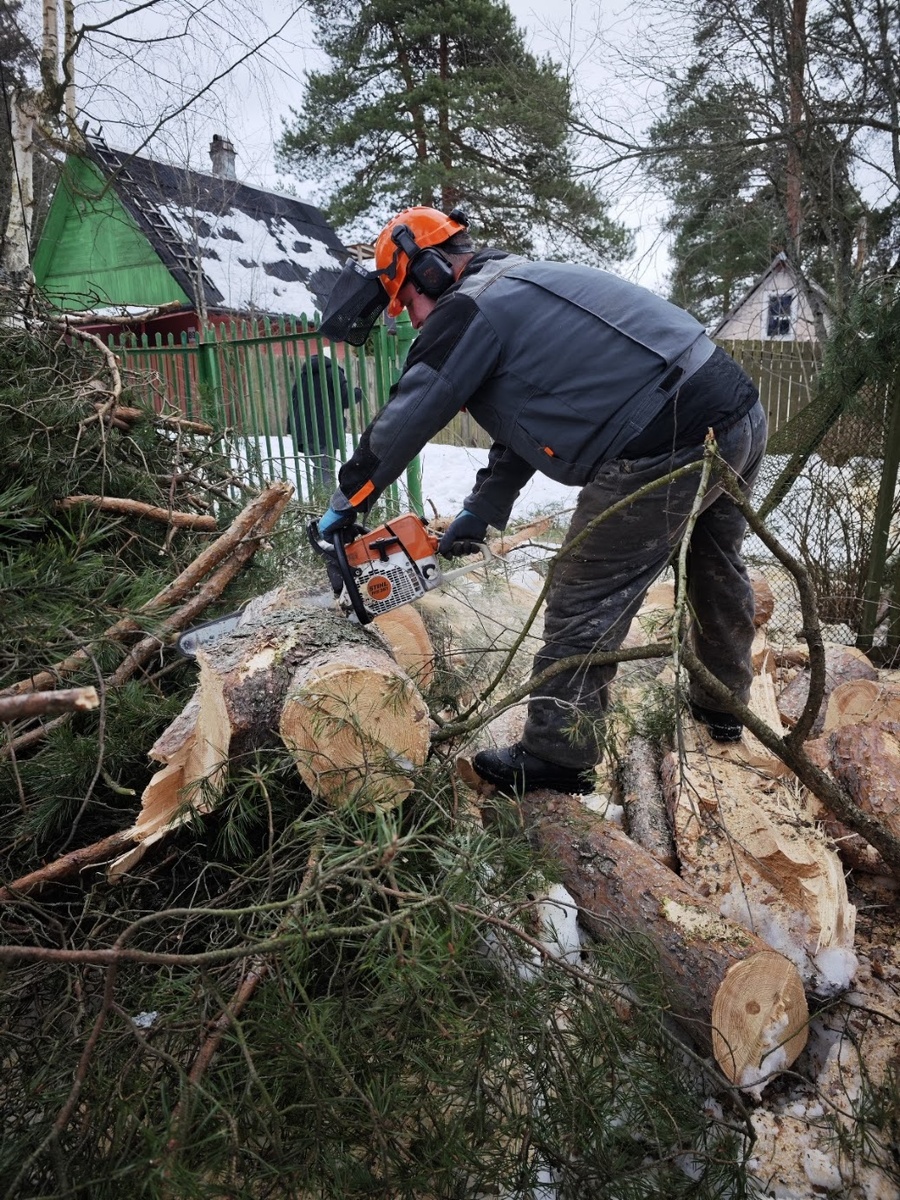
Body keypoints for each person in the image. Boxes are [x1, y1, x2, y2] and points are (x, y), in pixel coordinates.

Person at [315, 206, 767, 794]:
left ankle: (558, 753)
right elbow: (528, 415)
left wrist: (346, 503)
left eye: (408, 303)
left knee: (585, 590)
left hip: (666, 438)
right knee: (715, 563)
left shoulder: (468, 308)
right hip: (735, 412)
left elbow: (409, 415)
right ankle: (722, 703)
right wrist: (484, 506)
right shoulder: (520, 283)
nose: (413, 321)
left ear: (427, 272)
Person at [288, 349, 353, 489]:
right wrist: (358, 393)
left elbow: (294, 401)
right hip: (325, 430)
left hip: (305, 431)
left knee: (319, 466)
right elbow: (346, 399)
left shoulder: (303, 376)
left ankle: (319, 499)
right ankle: (325, 502)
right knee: (325, 466)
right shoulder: (333, 372)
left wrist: (291, 429)